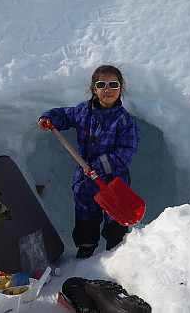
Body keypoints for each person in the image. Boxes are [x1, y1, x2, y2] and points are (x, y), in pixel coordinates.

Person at [38, 65, 141, 259]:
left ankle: (117, 253)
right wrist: (49, 118)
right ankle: (86, 248)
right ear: (94, 89)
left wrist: (100, 165)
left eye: (113, 84)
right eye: (101, 84)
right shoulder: (83, 112)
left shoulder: (125, 122)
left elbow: (126, 152)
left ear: (121, 88)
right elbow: (64, 115)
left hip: (113, 180)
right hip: (85, 179)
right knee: (85, 214)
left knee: (115, 218)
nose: (107, 89)